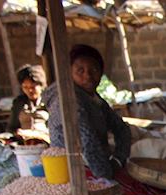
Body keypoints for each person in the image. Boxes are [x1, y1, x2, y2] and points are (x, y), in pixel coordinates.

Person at [42, 44, 131, 181]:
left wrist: (118, 159)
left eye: (94, 69)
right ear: (69, 73)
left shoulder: (93, 98)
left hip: (94, 166)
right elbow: (87, 141)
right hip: (73, 171)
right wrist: (106, 176)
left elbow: (121, 128)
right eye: (80, 71)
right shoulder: (68, 99)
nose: (88, 76)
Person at [6, 64, 48, 134]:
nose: (29, 91)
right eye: (25, 87)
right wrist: (17, 133)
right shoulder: (19, 103)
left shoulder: (49, 101)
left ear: (41, 86)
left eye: (32, 87)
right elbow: (11, 128)